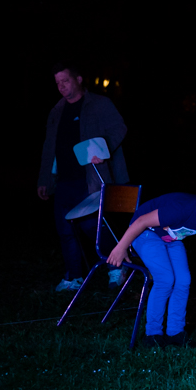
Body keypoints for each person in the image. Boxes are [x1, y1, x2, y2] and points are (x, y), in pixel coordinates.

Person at [37, 63, 129, 291]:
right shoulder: (57, 110)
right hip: (64, 180)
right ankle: (74, 276)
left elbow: (119, 128)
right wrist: (45, 179)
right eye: (57, 83)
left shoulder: (98, 104)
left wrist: (103, 148)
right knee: (65, 229)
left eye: (65, 80)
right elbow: (50, 147)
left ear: (78, 79)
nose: (61, 86)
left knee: (92, 225)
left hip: (90, 179)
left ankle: (117, 266)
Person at [106, 192, 196, 348]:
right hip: (144, 232)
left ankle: (175, 333)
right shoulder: (180, 209)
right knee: (165, 279)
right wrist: (121, 247)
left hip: (170, 238)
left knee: (183, 280)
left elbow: (179, 233)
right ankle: (152, 335)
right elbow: (141, 222)